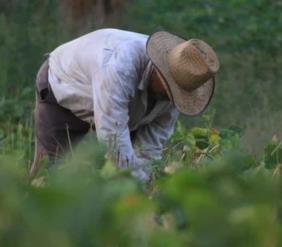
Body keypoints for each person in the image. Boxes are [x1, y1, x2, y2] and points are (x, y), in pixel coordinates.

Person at [29, 29, 220, 181]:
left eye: (177, 92)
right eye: (170, 88)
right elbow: (112, 137)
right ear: (159, 71)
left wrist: (146, 181)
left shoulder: (182, 82)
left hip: (117, 108)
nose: (171, 97)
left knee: (107, 176)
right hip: (64, 84)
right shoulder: (120, 64)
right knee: (56, 174)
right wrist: (136, 184)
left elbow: (151, 145)